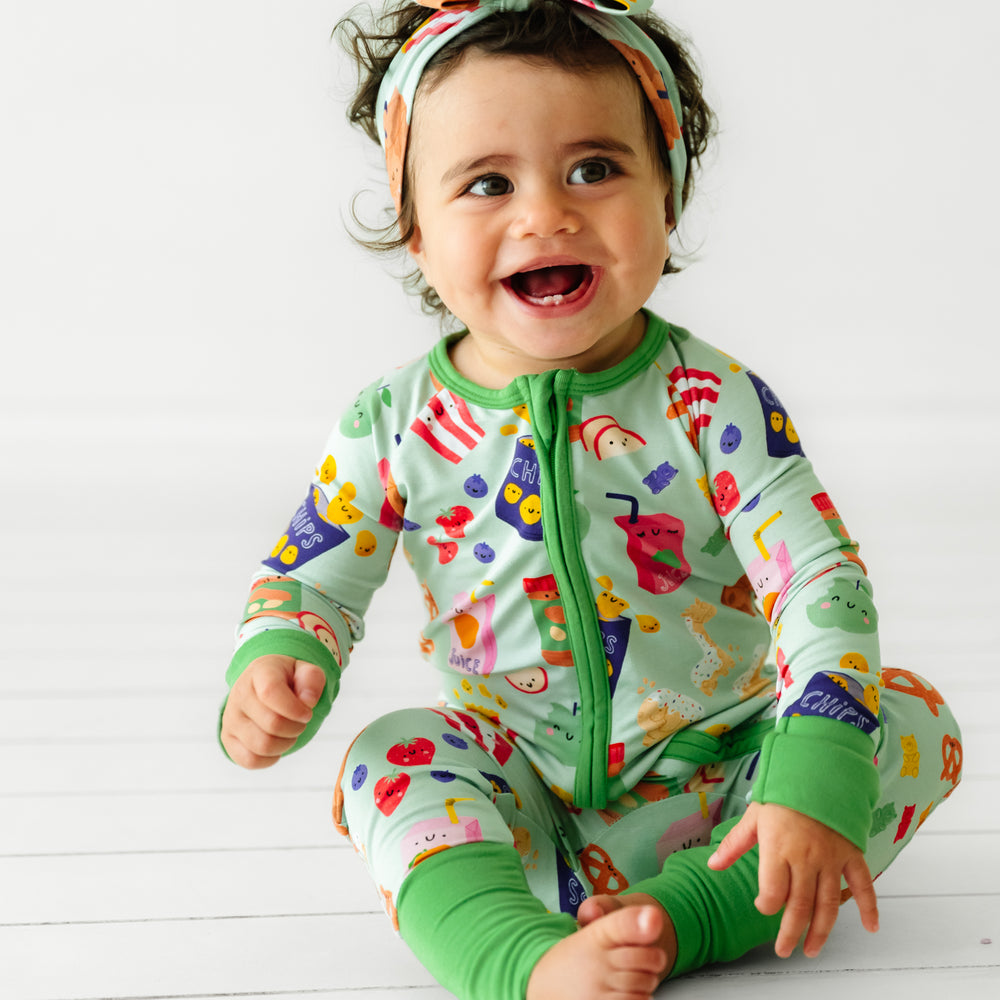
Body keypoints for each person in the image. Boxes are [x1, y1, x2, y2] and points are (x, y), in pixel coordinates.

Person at [218, 3, 963, 998]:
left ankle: (688, 914)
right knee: (387, 756)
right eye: (487, 183)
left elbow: (816, 574)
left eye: (595, 170)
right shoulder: (393, 422)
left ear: (669, 197)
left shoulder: (709, 403)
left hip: (734, 778)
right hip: (521, 794)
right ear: (414, 229)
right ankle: (512, 955)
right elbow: (312, 569)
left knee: (910, 723)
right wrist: (281, 655)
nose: (544, 214)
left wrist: (814, 754)